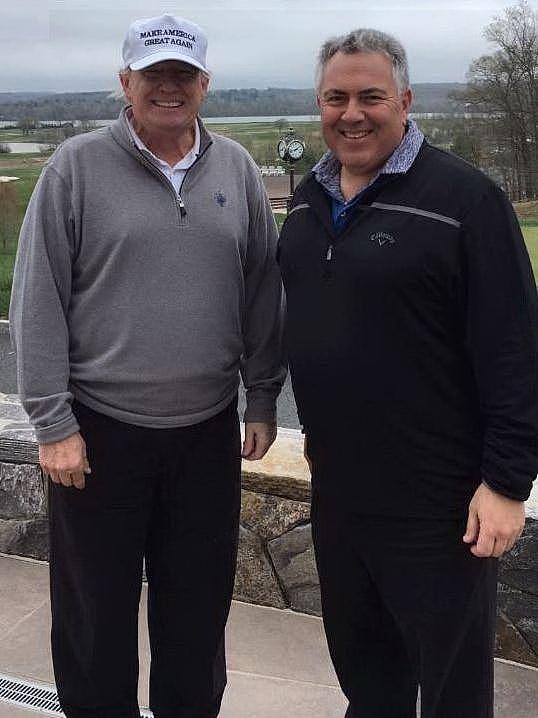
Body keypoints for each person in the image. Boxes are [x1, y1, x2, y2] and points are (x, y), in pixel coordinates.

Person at [10, 13, 285, 718]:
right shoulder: (75, 167)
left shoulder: (237, 170)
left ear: (205, 83)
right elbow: (38, 298)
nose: (170, 87)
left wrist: (260, 398)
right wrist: (52, 422)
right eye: (154, 74)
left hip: (204, 435)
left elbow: (261, 289)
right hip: (99, 436)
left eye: (183, 75)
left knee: (197, 615)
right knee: (95, 616)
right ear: (125, 81)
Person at [278, 28, 537, 718]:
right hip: (339, 493)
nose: (352, 113)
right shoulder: (308, 202)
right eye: (337, 97)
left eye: (371, 96)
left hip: (439, 506)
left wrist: (507, 484)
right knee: (368, 682)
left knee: (451, 692)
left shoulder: (465, 200)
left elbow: (515, 348)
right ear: (320, 103)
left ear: (405, 100)